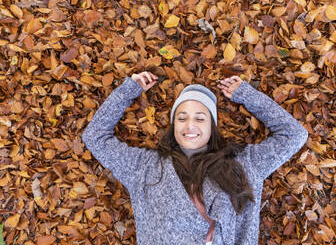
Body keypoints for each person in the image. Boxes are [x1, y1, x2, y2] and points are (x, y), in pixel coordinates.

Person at [82, 71, 308, 245]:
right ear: (173, 126)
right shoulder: (145, 167)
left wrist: (247, 97)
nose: (190, 125)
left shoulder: (243, 164)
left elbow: (294, 134)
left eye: (200, 118)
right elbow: (94, 136)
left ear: (212, 126)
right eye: (182, 118)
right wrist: (127, 91)